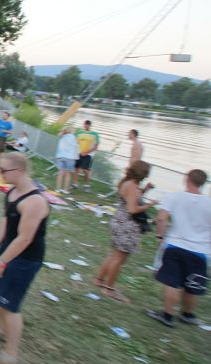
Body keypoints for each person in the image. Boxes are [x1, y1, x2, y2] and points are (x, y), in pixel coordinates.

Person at [0, 152, 49, 364]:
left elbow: (25, 238)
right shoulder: (12, 192)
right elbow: (6, 222)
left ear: (18, 171)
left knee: (10, 305)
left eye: (3, 171)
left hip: (25, 260)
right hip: (8, 253)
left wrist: (2, 262)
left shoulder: (35, 201)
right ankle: (1, 328)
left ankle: (11, 352)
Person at [147, 169, 210, 327]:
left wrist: (160, 237)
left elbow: (161, 218)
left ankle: (168, 315)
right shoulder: (209, 203)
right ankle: (187, 314)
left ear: (187, 179)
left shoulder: (174, 197)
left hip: (176, 244)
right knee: (193, 283)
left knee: (172, 281)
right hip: (200, 249)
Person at [94, 161, 155, 303]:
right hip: (127, 224)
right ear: (143, 174)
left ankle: (99, 279)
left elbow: (130, 198)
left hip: (119, 221)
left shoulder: (126, 182)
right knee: (119, 259)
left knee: (114, 254)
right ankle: (109, 288)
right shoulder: (133, 185)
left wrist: (145, 190)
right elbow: (133, 209)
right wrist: (150, 205)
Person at [73, 120, 100, 190]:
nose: (86, 126)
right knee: (76, 168)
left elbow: (96, 146)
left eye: (87, 125)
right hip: (79, 153)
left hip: (88, 154)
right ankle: (75, 184)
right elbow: (74, 142)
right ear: (83, 125)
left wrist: (86, 152)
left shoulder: (95, 134)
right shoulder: (79, 133)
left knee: (85, 170)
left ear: (90, 125)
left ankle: (87, 184)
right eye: (85, 124)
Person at [55, 128, 78, 194]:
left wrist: (63, 131)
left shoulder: (62, 136)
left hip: (61, 156)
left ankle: (58, 189)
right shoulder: (74, 137)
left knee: (60, 172)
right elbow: (76, 148)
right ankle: (66, 190)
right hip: (70, 157)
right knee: (68, 174)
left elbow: (59, 135)